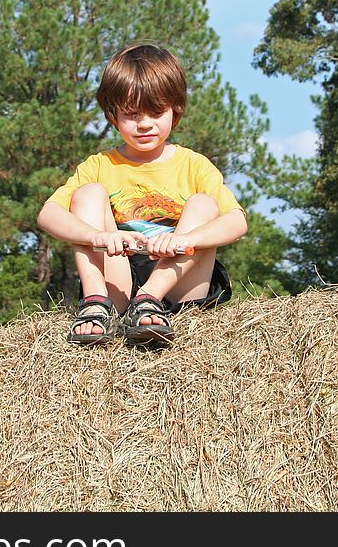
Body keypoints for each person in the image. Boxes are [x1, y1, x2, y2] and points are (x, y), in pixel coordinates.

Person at [37, 42, 247, 345]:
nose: (145, 123)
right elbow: (48, 214)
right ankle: (96, 303)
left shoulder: (194, 165)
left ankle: (150, 299)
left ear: (175, 109)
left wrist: (184, 240)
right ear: (112, 115)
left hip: (179, 282)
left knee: (204, 204)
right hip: (118, 280)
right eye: (132, 114)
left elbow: (237, 222)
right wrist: (97, 236)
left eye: (156, 111)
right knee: (87, 194)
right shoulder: (99, 165)